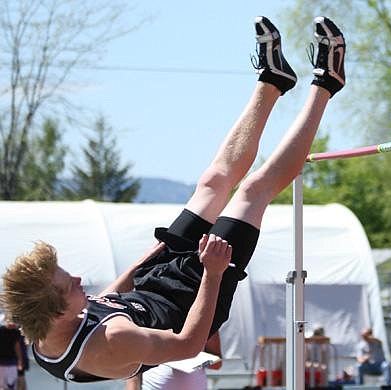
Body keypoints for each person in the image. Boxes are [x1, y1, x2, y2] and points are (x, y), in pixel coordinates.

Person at [0, 15, 346, 384]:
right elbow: (188, 344)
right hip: (193, 296)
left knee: (212, 182)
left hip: (153, 283)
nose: (79, 279)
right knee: (253, 190)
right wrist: (213, 274)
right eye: (69, 284)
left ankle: (273, 81)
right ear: (56, 312)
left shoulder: (48, 330)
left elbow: (114, 292)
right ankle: (328, 82)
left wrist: (161, 248)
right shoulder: (113, 341)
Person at [125, 331, 222, 390]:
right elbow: (133, 367)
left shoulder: (206, 316)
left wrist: (196, 362)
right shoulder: (150, 311)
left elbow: (217, 364)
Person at [0, 316, 25, 390]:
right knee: (3, 386)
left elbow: (17, 347)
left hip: (12, 362)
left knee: (12, 385)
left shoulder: (16, 332)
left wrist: (20, 361)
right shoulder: (1, 330)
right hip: (2, 363)